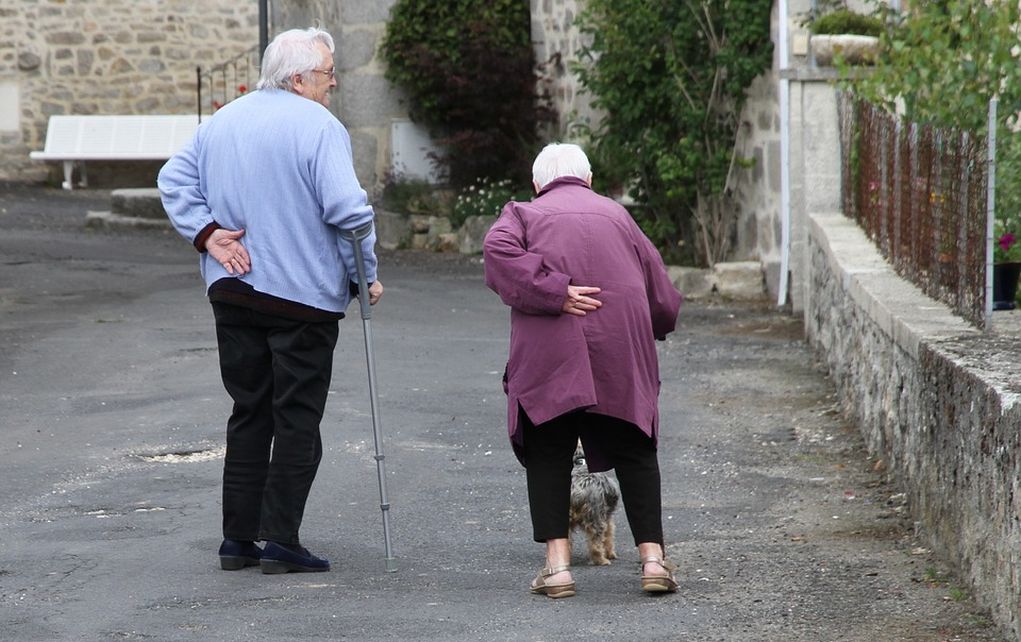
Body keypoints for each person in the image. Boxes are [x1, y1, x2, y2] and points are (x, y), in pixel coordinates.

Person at [157, 26, 383, 574]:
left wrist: (208, 233)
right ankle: (282, 540)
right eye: (328, 75)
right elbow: (349, 213)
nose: (332, 85)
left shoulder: (226, 119)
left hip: (232, 290)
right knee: (297, 419)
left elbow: (172, 179)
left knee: (250, 412)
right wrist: (364, 277)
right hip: (301, 298)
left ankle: (238, 540)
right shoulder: (320, 126)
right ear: (301, 78)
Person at [483, 143, 682, 597]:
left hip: (551, 350)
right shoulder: (618, 215)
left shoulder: (522, 214)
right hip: (619, 347)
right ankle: (653, 562)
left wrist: (553, 291)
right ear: (588, 179)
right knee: (634, 448)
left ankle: (557, 568)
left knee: (549, 449)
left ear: (538, 184)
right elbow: (662, 292)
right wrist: (658, 323)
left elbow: (496, 251)